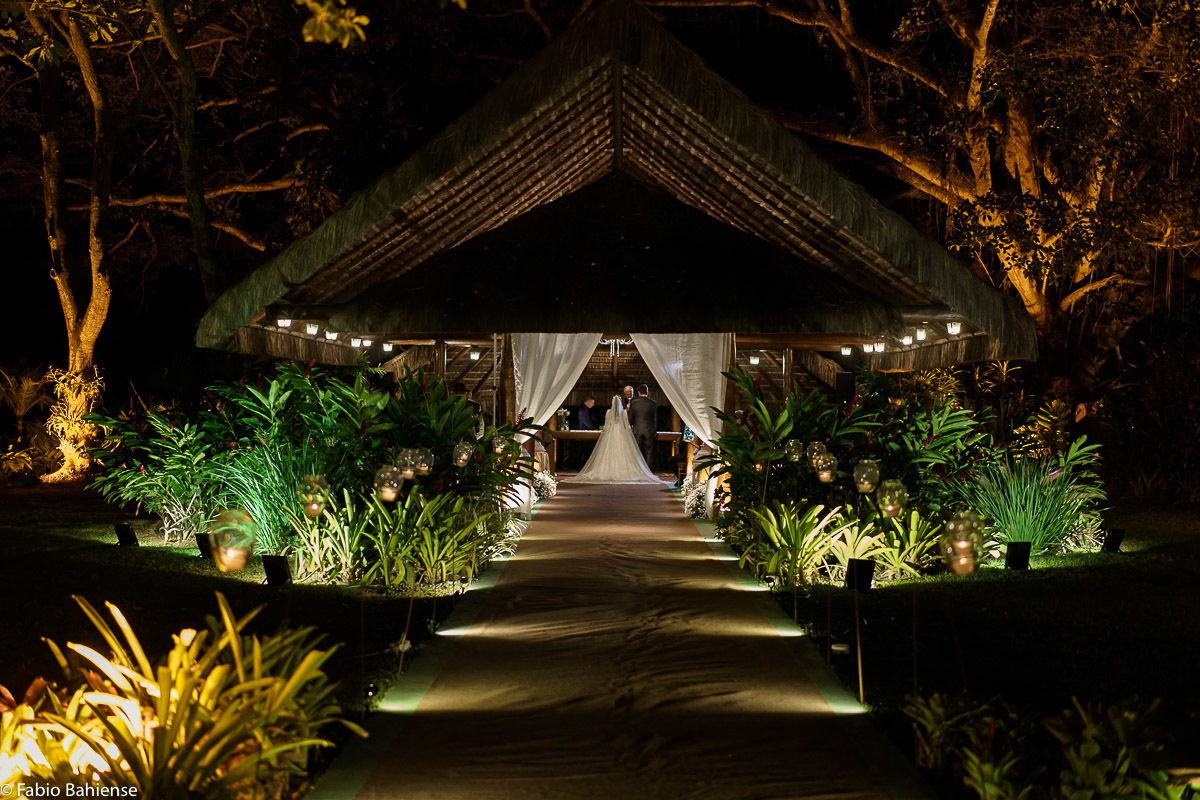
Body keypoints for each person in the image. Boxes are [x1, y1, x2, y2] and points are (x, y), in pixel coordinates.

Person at [565, 395, 662, 484]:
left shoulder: (608, 412)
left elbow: (606, 426)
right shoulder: (624, 413)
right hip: (621, 435)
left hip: (611, 435)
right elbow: (627, 426)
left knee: (609, 452)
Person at [627, 384, 658, 471]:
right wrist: (654, 431)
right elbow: (655, 419)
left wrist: (632, 425)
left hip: (637, 430)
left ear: (638, 392)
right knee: (649, 452)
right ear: (647, 392)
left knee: (636, 451)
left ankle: (637, 470)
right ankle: (648, 471)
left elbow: (630, 418)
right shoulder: (653, 403)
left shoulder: (633, 402)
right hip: (649, 431)